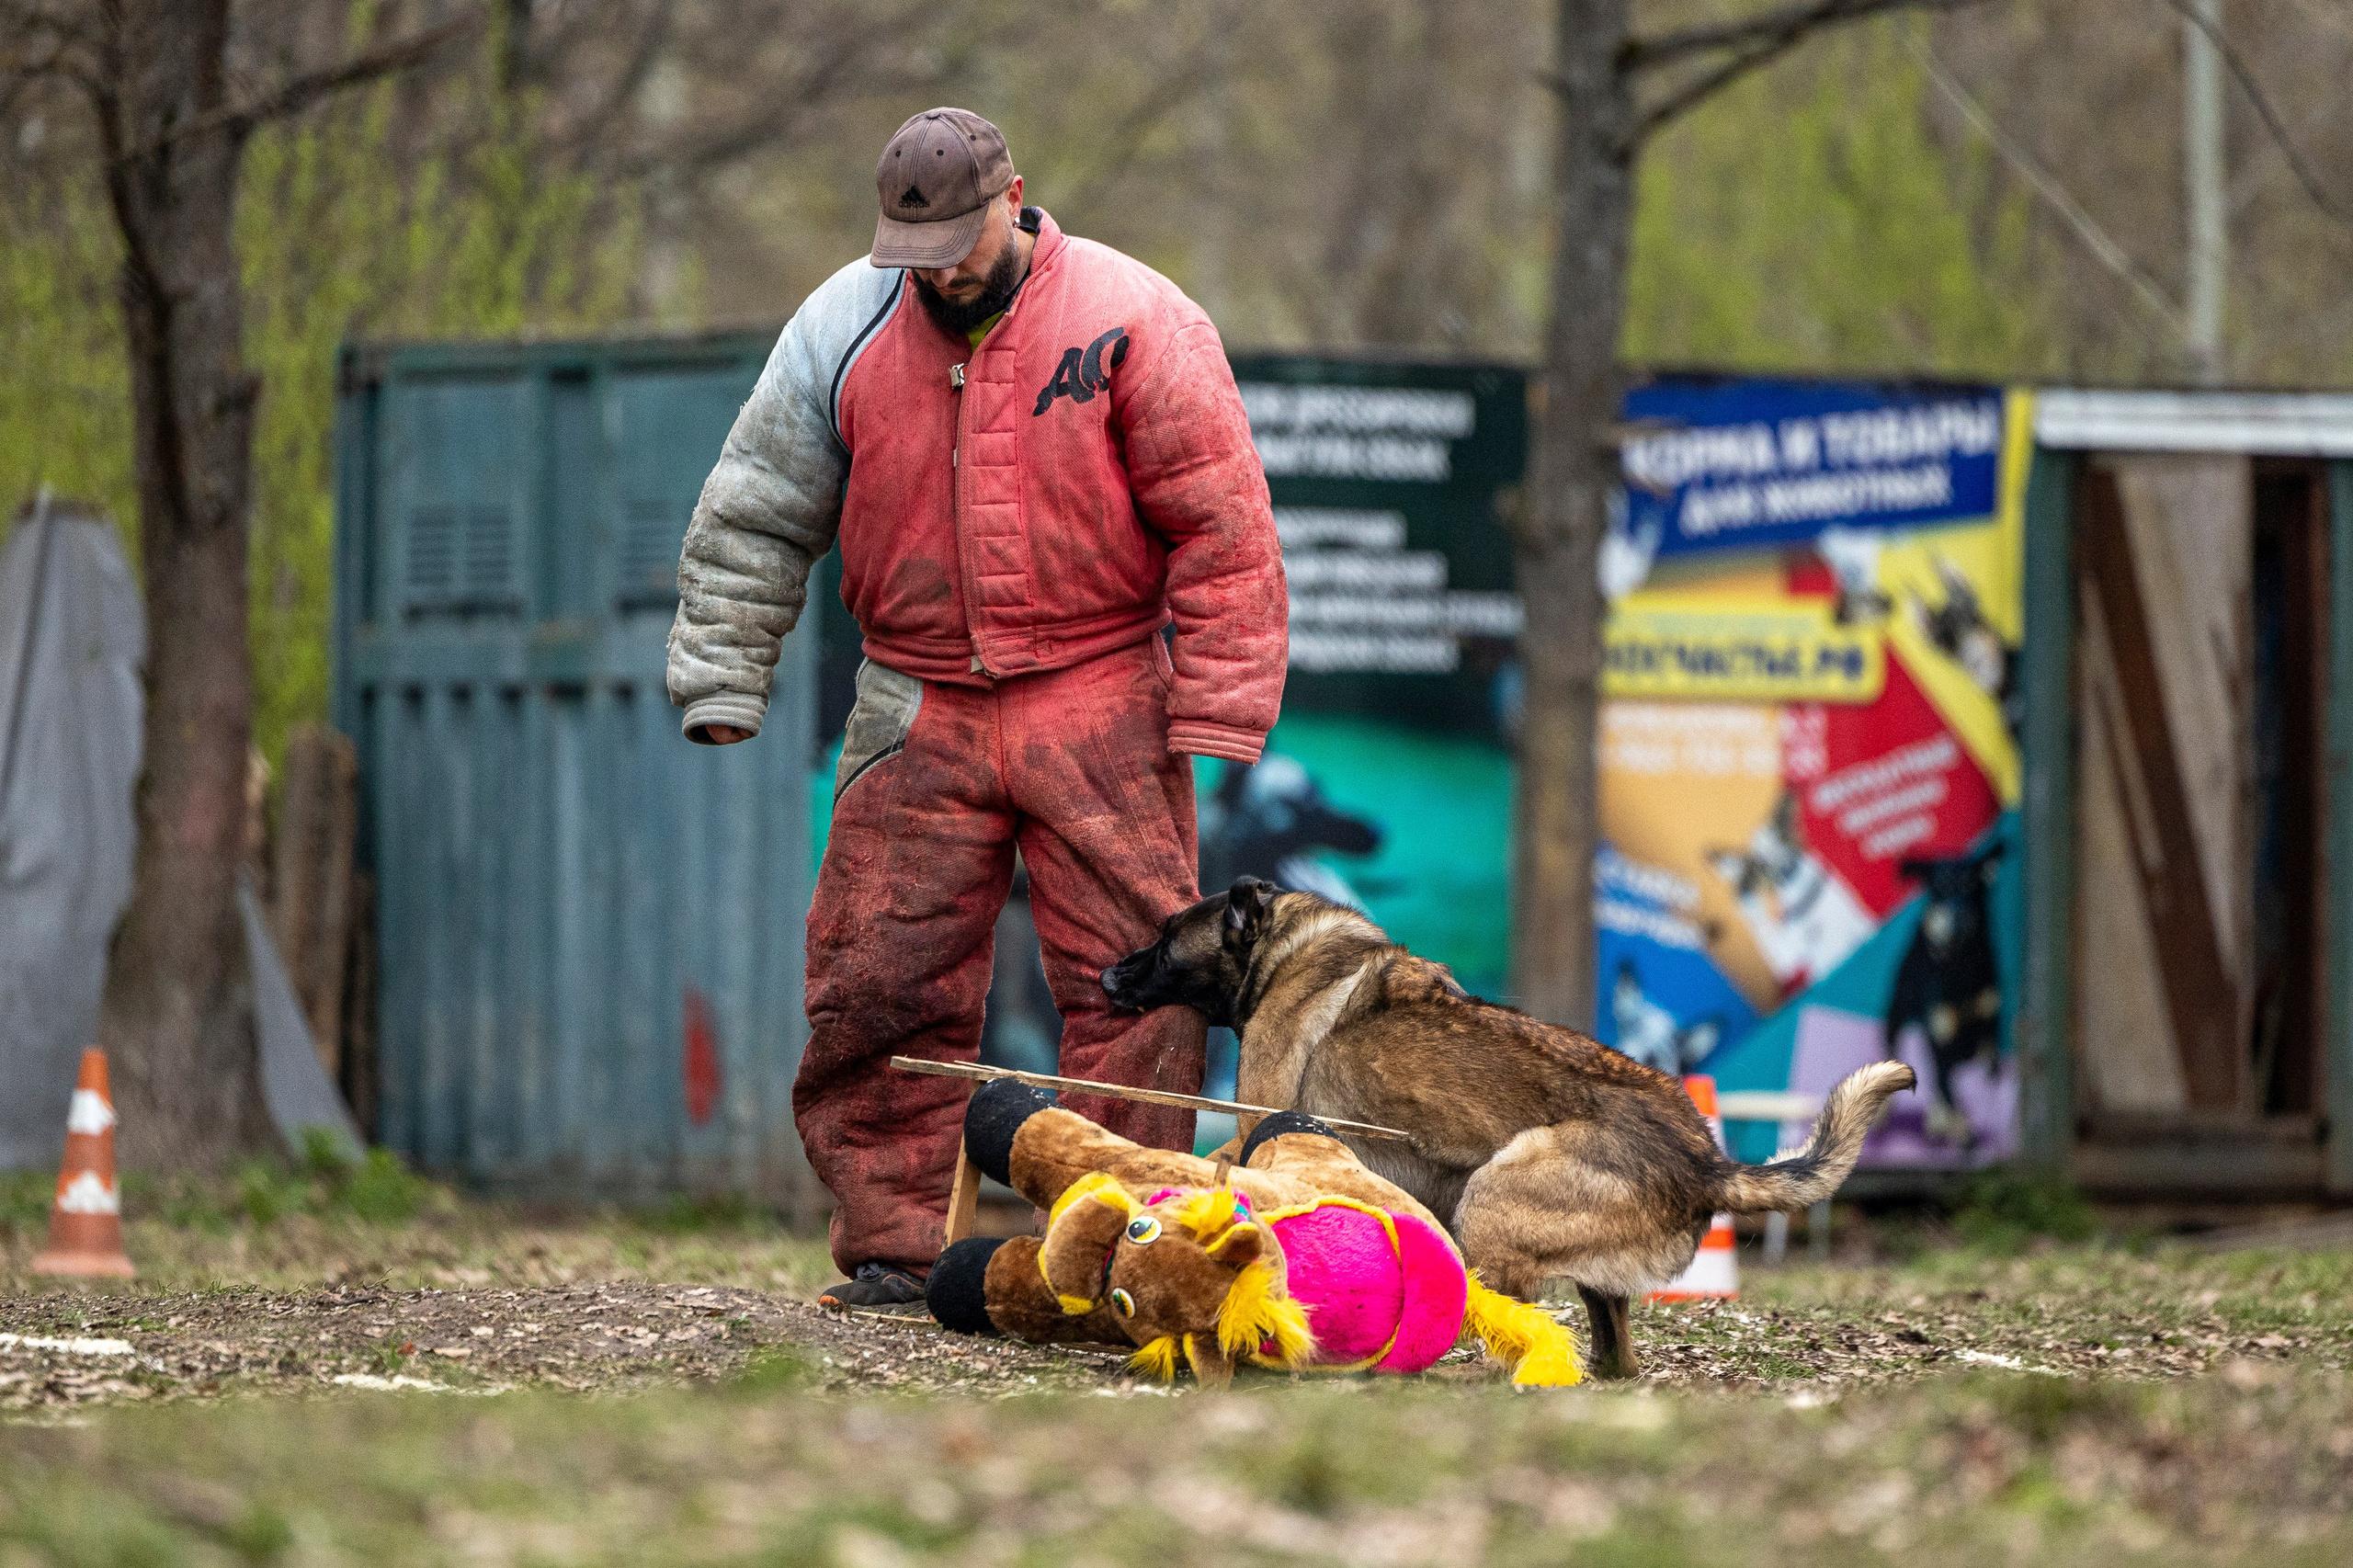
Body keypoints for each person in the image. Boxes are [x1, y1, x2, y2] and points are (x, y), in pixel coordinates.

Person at [666, 108, 1287, 1306]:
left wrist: (1218, 708)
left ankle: (1118, 1252)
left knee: (1140, 979)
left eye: (960, 237)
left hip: (1100, 686)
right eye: (917, 249)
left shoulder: (1134, 318)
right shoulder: (841, 323)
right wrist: (721, 673)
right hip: (914, 696)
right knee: (877, 978)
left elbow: (1223, 527)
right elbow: (755, 505)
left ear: (1016, 198)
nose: (940, 268)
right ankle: (894, 1243)